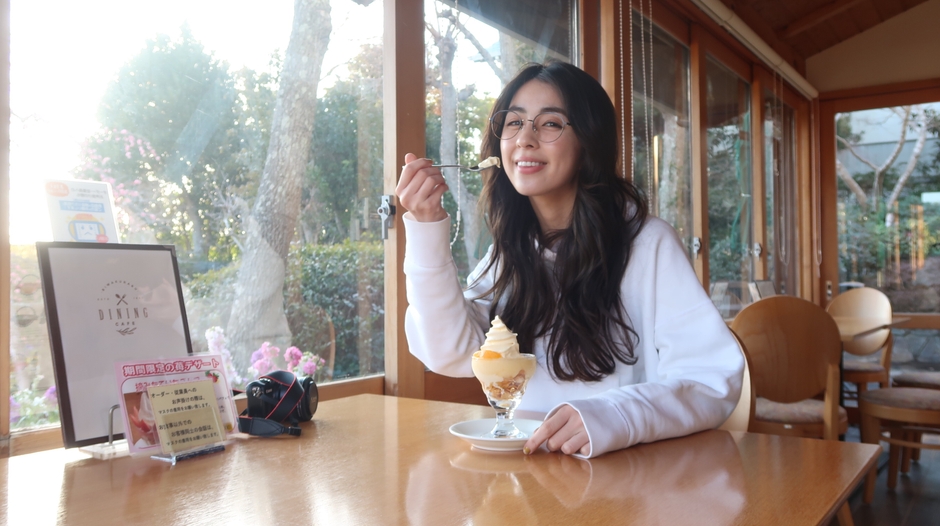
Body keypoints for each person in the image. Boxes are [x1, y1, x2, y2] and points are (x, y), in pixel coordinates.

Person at [396, 60, 743, 459]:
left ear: (588, 142)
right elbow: (450, 352)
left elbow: (711, 380)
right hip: (530, 478)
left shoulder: (648, 244)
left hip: (629, 480)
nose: (525, 139)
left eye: (550, 124)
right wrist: (426, 227)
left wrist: (613, 415)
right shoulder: (509, 252)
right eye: (514, 122)